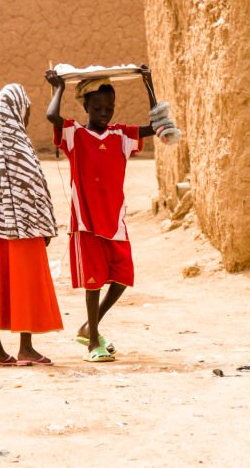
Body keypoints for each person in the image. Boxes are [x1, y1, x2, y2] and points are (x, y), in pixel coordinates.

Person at [45, 66, 172, 362]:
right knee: (93, 283)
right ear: (86, 106)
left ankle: (91, 326)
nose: (105, 112)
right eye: (98, 107)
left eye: (109, 107)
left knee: (123, 277)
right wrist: (58, 87)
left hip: (114, 222)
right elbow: (52, 116)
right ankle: (92, 343)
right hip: (87, 223)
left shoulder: (122, 135)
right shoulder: (75, 134)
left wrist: (149, 84)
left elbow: (156, 126)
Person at [0, 84, 62, 365]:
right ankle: (26, 348)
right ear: (17, 110)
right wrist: (47, 227)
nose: (27, 115)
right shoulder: (19, 147)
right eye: (26, 109)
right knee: (23, 286)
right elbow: (34, 190)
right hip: (22, 230)